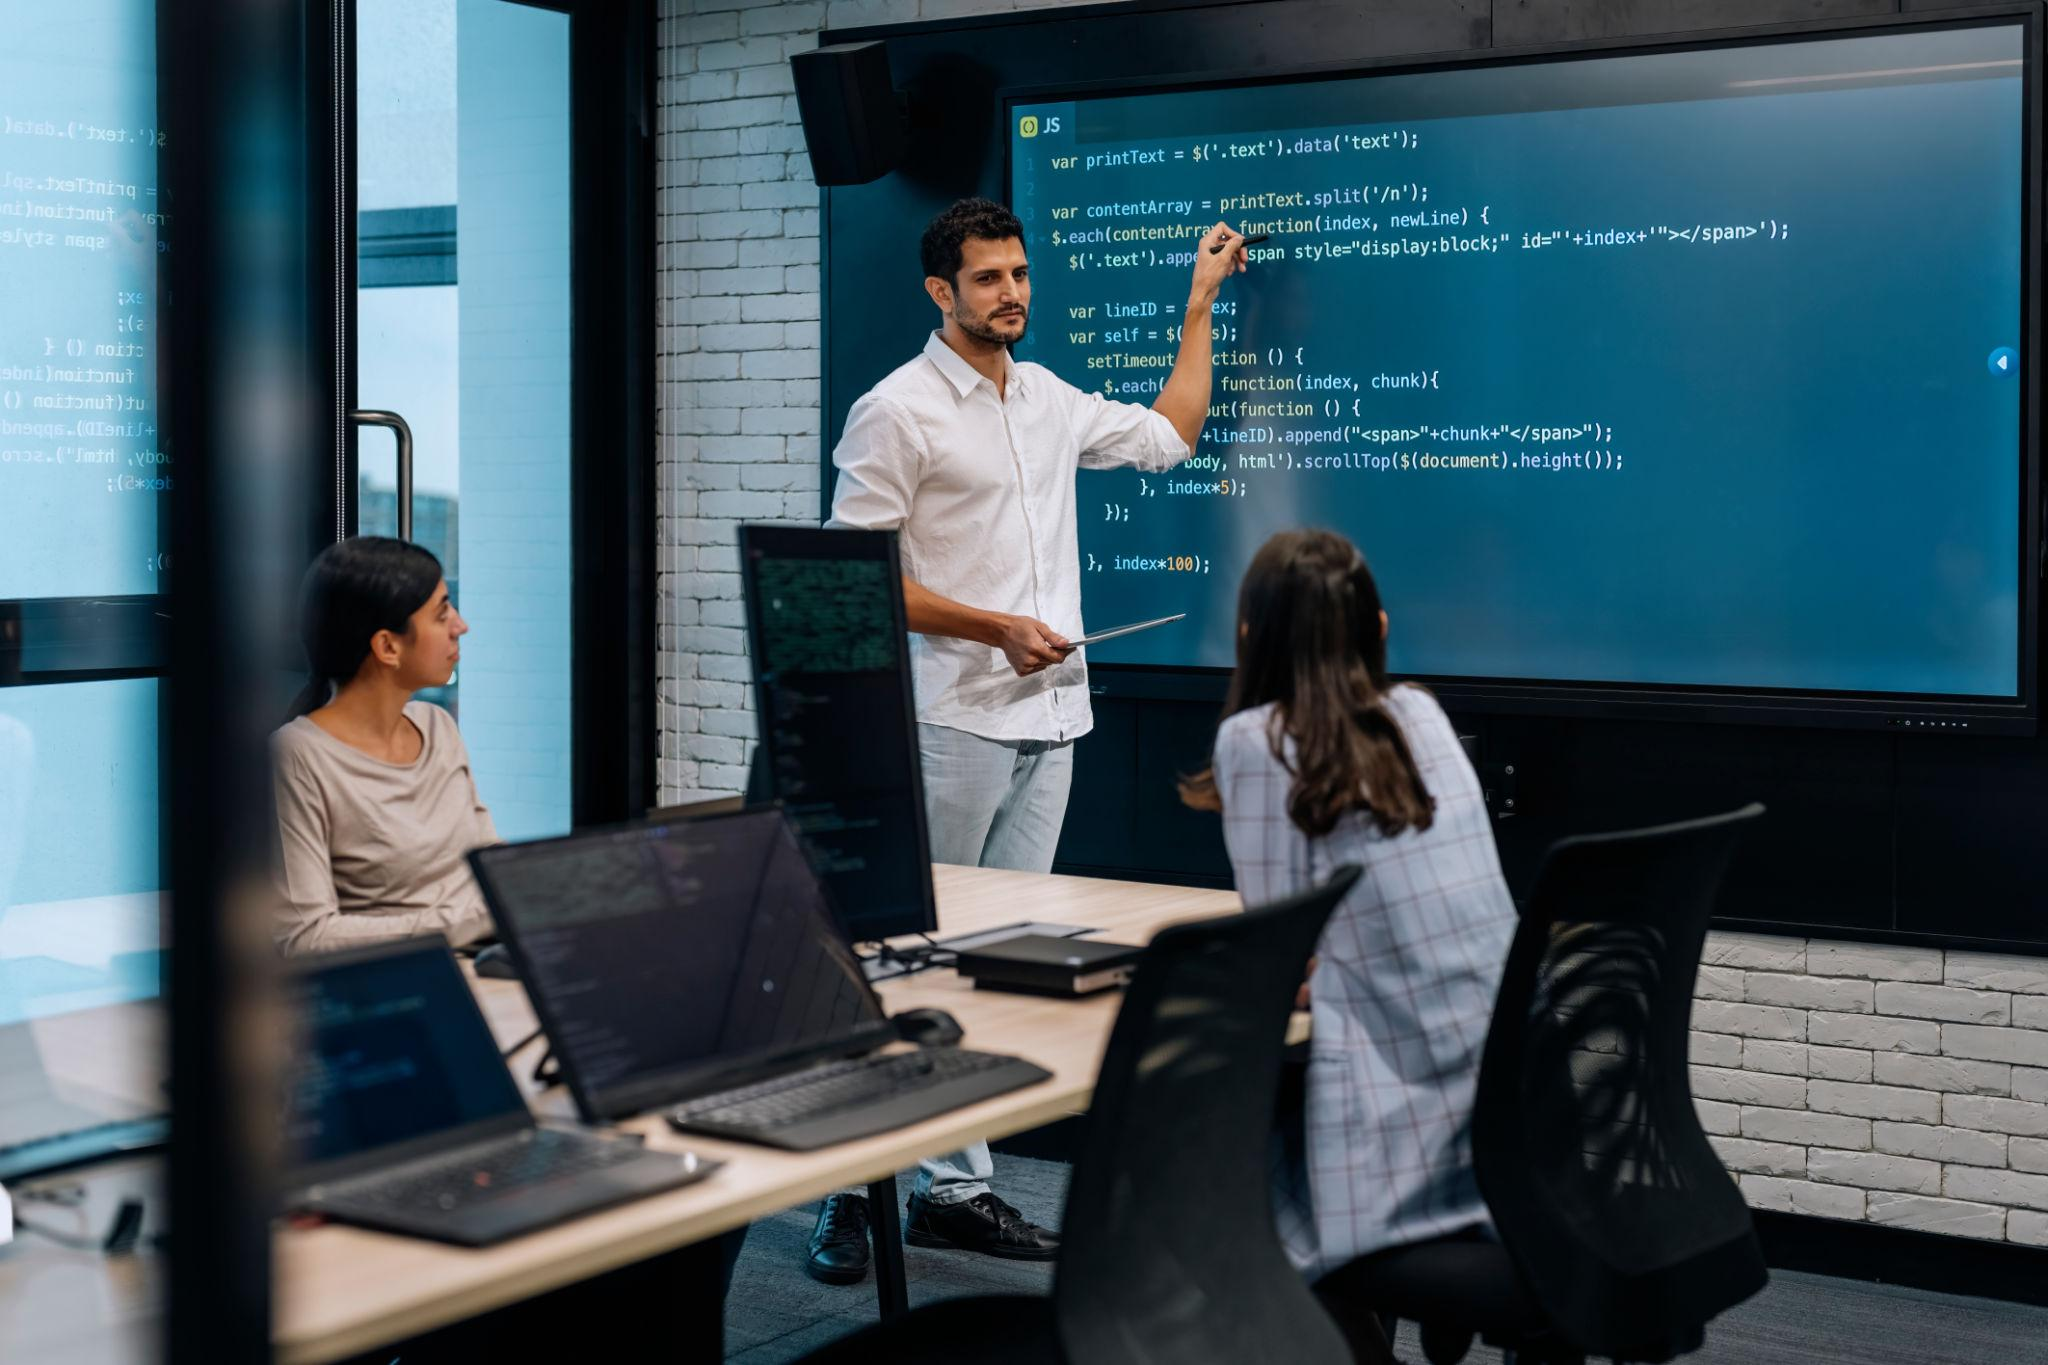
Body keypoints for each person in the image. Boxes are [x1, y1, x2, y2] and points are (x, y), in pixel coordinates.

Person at [808, 198, 1251, 1283]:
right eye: (988, 278)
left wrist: (1197, 307)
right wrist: (990, 625)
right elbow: (843, 577)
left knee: (999, 963)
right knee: (907, 957)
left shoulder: (1046, 398)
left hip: (1052, 724)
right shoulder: (896, 411)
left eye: (1018, 274)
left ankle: (953, 1189)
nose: (1011, 293)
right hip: (951, 719)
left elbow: (1168, 437)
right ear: (939, 292)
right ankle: (840, 1187)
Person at [1181, 529, 1517, 1291]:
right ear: (1381, 630)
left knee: (1202, 1165)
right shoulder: (1422, 715)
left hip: (1396, 1123)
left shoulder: (1255, 741)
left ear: (1247, 638)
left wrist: (1318, 968)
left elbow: (1272, 955)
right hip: (1509, 1118)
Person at [270, 536, 496, 956]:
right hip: (399, 983)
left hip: (480, 957)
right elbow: (304, 937)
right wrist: (474, 920)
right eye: (442, 613)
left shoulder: (439, 726)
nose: (460, 626)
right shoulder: (296, 756)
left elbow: (491, 866)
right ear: (388, 646)